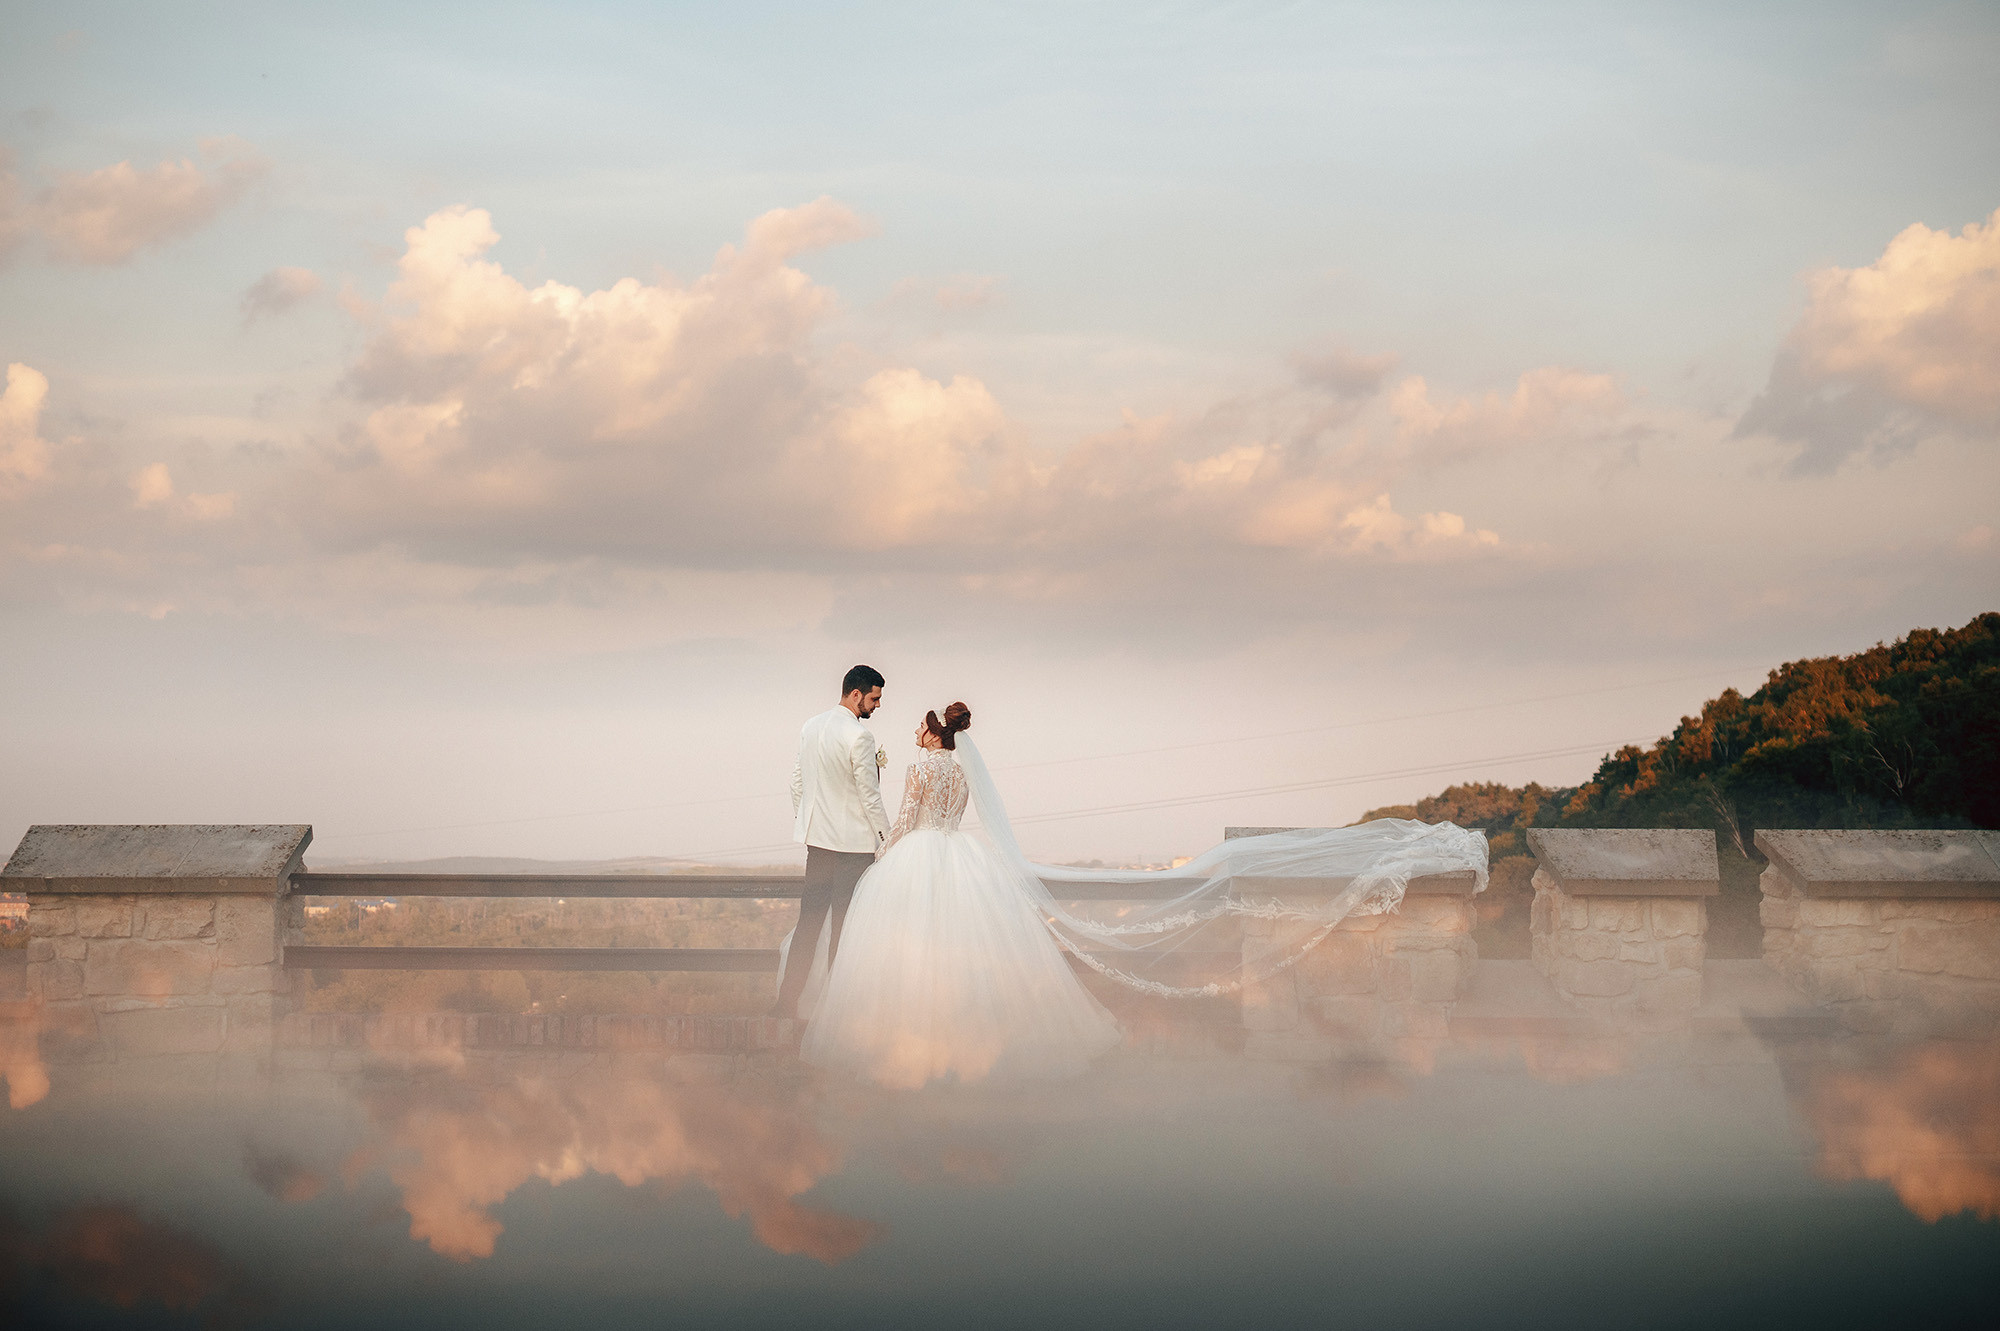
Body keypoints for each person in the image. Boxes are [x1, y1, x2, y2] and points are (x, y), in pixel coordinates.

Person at [800, 702, 1123, 1088]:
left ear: (934, 734)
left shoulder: (919, 769)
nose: (916, 730)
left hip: (917, 853)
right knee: (966, 946)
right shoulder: (963, 772)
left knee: (912, 949)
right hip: (959, 851)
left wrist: (881, 855)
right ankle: (970, 1050)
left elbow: (904, 820)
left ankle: (910, 1048)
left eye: (920, 726)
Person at [771, 664, 891, 1021]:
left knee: (809, 923)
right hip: (854, 850)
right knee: (844, 929)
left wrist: (809, 822)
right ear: (856, 694)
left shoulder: (811, 725)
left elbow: (795, 783)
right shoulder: (860, 737)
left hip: (818, 846)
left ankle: (785, 1004)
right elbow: (869, 796)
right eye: (875, 698)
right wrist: (887, 842)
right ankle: (835, 1014)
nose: (878, 705)